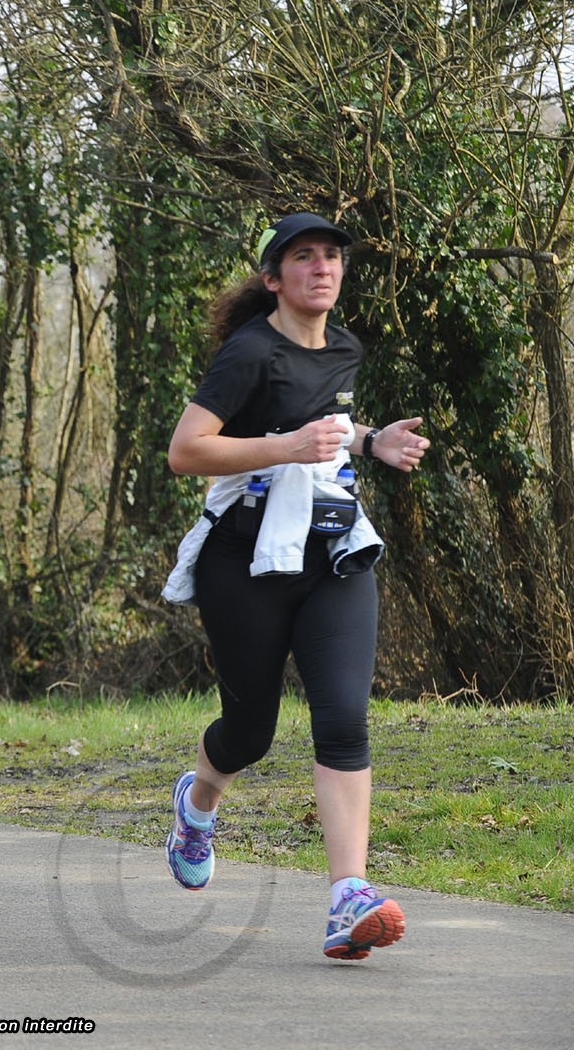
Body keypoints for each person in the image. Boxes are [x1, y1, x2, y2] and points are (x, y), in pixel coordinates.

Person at [160, 211, 430, 961]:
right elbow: (186, 450)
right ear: (273, 278)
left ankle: (349, 896)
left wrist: (372, 441)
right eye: (304, 256)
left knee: (344, 718)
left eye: (332, 255)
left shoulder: (345, 347)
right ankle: (198, 802)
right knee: (250, 732)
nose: (323, 267)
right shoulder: (249, 352)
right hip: (243, 559)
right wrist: (283, 447)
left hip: (333, 553)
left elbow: (328, 425)